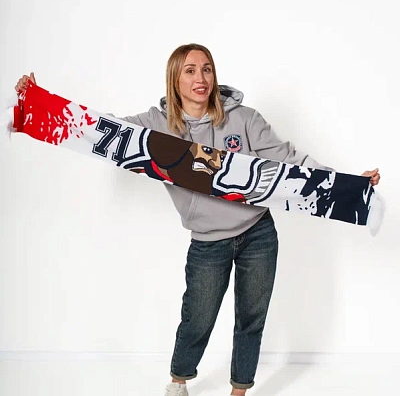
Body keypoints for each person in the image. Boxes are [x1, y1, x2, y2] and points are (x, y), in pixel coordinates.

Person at [15, 43, 381, 396]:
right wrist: (35, 105)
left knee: (252, 318)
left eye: (206, 69)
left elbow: (290, 159)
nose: (200, 78)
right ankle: (179, 381)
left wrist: (348, 184)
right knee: (197, 320)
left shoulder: (244, 118)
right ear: (175, 79)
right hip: (208, 242)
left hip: (258, 234)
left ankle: (239, 390)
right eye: (190, 71)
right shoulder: (156, 124)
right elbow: (101, 130)